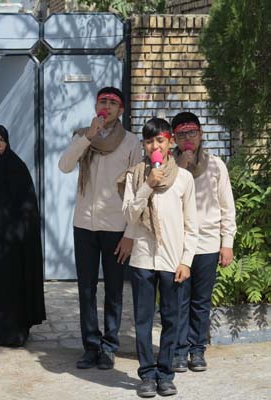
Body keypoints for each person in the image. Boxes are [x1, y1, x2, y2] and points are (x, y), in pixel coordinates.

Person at [58, 87, 141, 370]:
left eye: (113, 103)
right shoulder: (83, 135)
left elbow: (137, 189)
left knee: (114, 290)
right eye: (102, 101)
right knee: (86, 289)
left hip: (116, 226)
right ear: (96, 106)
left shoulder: (131, 142)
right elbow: (64, 165)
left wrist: (130, 233)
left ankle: (109, 346)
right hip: (84, 225)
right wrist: (87, 138)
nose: (107, 106)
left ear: (121, 110)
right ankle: (90, 346)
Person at [120, 117, 198, 398]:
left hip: (171, 260)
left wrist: (186, 261)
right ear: (144, 145)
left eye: (160, 140)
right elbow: (129, 215)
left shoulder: (184, 179)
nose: (155, 146)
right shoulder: (135, 175)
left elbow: (191, 225)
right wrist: (148, 185)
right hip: (142, 259)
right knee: (142, 320)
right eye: (149, 141)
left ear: (170, 143)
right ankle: (146, 375)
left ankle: (165, 374)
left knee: (171, 319)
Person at [171, 112, 236, 373]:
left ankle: (197, 350)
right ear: (174, 138)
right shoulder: (168, 166)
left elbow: (227, 206)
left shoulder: (215, 165)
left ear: (200, 134)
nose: (187, 138)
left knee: (201, 301)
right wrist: (181, 167)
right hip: (177, 245)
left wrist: (227, 242)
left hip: (208, 243)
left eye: (192, 133)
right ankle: (178, 351)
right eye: (181, 134)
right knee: (178, 300)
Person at [0, 125, 46, 347]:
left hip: (14, 243)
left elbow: (29, 205)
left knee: (14, 285)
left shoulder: (18, 166)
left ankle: (16, 331)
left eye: (1, 140)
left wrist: (24, 231)